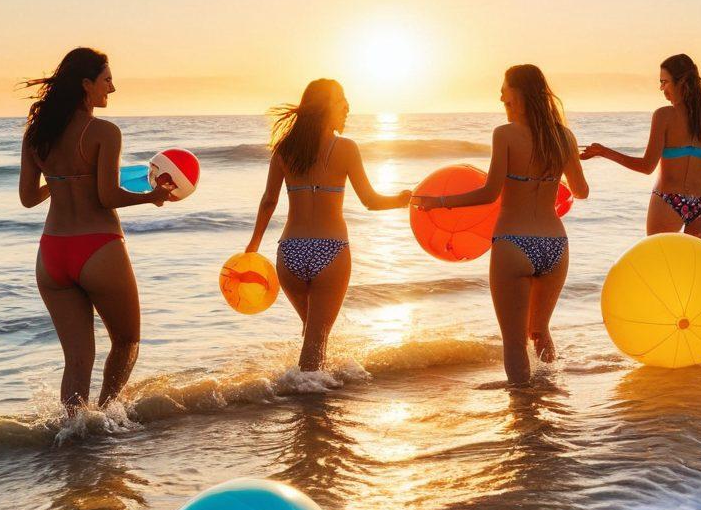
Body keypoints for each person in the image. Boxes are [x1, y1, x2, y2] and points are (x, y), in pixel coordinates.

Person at [18, 47, 172, 413]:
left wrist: (59, 181)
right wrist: (151, 197)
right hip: (97, 247)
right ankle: (105, 416)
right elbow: (107, 196)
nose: (113, 88)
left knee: (77, 361)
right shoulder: (103, 131)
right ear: (87, 84)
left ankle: (73, 435)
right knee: (127, 341)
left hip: (52, 254)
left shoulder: (36, 134)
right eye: (107, 80)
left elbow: (27, 198)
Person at [414, 65, 588, 385]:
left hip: (514, 243)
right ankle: (550, 393)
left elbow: (489, 192)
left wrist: (437, 202)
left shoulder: (505, 134)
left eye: (504, 90)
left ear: (518, 93)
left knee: (514, 342)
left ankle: (524, 413)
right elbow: (581, 191)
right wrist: (553, 176)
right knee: (539, 331)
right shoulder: (564, 136)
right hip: (555, 245)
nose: (500, 96)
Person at [244, 79, 411, 370]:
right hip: (330, 251)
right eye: (341, 100)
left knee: (312, 334)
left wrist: (253, 246)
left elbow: (268, 201)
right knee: (315, 343)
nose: (347, 107)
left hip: (290, 253)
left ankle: (309, 397)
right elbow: (370, 201)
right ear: (324, 108)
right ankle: (309, 400)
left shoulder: (284, 149)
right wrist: (401, 199)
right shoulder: (346, 148)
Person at [581, 53, 701, 239]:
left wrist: (604, 151)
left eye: (664, 82)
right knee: (690, 266)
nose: (661, 88)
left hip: (667, 200)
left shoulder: (664, 116)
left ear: (681, 82)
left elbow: (646, 167)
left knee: (658, 262)